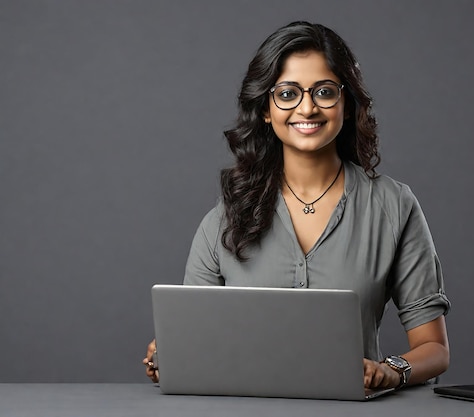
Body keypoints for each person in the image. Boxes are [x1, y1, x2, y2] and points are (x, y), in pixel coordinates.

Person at [143, 21, 450, 390]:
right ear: (266, 111)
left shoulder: (393, 206)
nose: (307, 108)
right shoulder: (224, 219)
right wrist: (169, 354)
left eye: (324, 91)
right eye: (288, 93)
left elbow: (434, 349)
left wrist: (389, 370)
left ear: (347, 104)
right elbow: (192, 339)